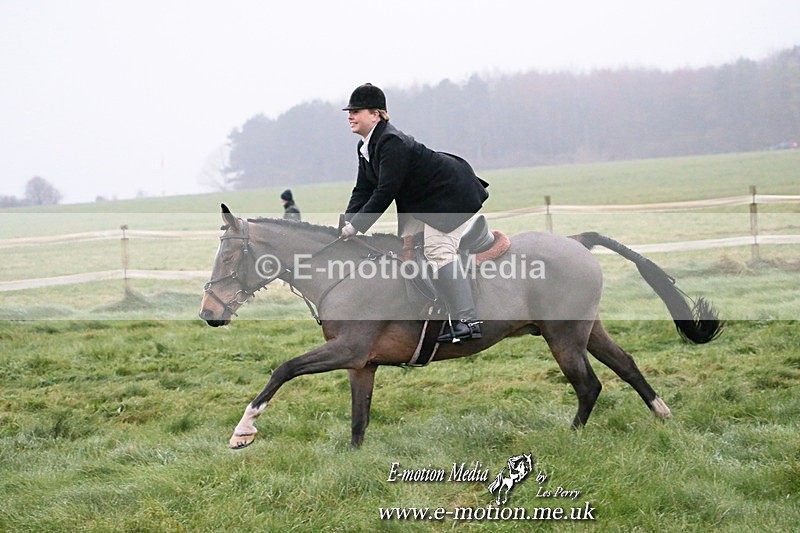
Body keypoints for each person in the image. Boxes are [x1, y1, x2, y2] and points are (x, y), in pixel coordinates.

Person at [340, 83, 489, 342]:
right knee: (407, 248)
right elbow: (363, 188)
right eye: (349, 111)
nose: (350, 116)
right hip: (421, 202)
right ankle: (433, 309)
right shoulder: (365, 146)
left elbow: (385, 192)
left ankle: (468, 320)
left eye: (357, 111)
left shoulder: (391, 142)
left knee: (437, 251)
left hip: (450, 195)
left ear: (375, 114)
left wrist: (357, 226)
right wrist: (346, 221)